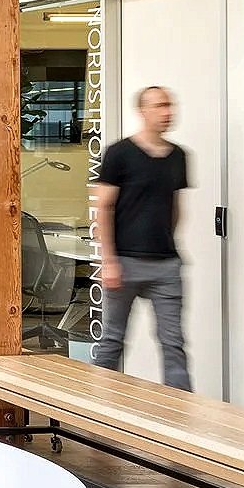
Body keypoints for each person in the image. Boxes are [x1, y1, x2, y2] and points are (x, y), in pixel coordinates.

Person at [93, 86, 191, 390]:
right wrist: (108, 261)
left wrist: (166, 242)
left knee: (173, 343)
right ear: (143, 111)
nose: (167, 112)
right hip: (124, 263)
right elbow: (104, 208)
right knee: (112, 340)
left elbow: (175, 207)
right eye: (160, 106)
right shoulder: (119, 153)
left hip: (166, 265)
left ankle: (179, 418)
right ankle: (92, 410)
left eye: (170, 105)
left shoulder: (178, 157)